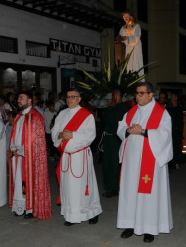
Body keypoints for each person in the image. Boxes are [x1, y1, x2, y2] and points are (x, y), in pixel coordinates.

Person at [116, 82, 173, 243]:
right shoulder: (132, 111)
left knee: (149, 194)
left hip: (151, 160)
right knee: (130, 190)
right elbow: (120, 127)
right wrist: (128, 130)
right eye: (136, 93)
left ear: (150, 95)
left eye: (141, 93)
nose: (138, 96)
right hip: (131, 160)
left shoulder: (162, 113)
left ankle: (149, 227)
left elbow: (165, 135)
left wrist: (143, 131)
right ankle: (129, 224)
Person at [51, 88, 102, 226]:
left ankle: (91, 212)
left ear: (79, 99)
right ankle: (71, 214)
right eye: (68, 97)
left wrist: (73, 135)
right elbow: (55, 130)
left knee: (84, 185)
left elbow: (90, 135)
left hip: (80, 156)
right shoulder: (62, 113)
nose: (69, 99)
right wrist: (60, 135)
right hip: (66, 156)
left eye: (73, 97)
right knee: (69, 186)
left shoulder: (86, 115)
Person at [9, 91, 51, 219]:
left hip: (29, 157)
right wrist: (13, 149)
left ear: (29, 101)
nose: (18, 100)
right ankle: (20, 205)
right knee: (18, 181)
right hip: (17, 155)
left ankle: (30, 208)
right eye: (18, 98)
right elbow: (14, 135)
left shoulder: (36, 117)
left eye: (21, 98)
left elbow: (36, 141)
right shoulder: (19, 116)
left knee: (26, 182)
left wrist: (21, 151)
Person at [101, 88, 128, 198]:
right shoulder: (112, 107)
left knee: (113, 164)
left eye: (114, 95)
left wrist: (111, 109)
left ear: (119, 96)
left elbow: (112, 120)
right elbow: (104, 118)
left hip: (115, 140)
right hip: (108, 139)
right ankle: (109, 187)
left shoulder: (123, 108)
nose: (112, 98)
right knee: (107, 164)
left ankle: (114, 188)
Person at [116, 11, 144, 76]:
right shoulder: (123, 28)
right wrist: (120, 39)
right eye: (124, 17)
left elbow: (136, 37)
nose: (126, 18)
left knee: (136, 64)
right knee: (128, 65)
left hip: (136, 48)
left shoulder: (136, 26)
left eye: (127, 16)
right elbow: (120, 37)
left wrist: (126, 38)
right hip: (127, 49)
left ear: (131, 16)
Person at [166, 91, 183, 171]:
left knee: (176, 147)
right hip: (170, 131)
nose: (171, 98)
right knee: (170, 147)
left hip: (177, 132)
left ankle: (175, 163)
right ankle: (171, 163)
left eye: (173, 96)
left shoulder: (180, 108)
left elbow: (181, 121)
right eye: (171, 97)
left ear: (176, 98)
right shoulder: (168, 108)